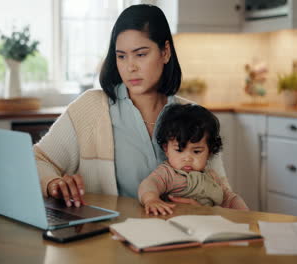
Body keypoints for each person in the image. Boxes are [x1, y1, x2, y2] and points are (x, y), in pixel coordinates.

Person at [33, 4, 232, 209]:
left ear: (165, 52)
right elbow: (37, 160)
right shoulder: (91, 108)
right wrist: (53, 183)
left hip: (184, 237)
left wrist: (206, 212)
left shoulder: (196, 117)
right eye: (121, 56)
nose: (130, 67)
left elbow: (224, 196)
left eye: (141, 54)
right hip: (109, 237)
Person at [138, 104, 249, 215]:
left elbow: (229, 199)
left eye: (196, 152)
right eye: (179, 150)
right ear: (166, 149)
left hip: (207, 224)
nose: (187, 158)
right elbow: (149, 184)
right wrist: (151, 199)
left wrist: (244, 213)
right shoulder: (168, 173)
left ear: (209, 152)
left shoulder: (212, 177)